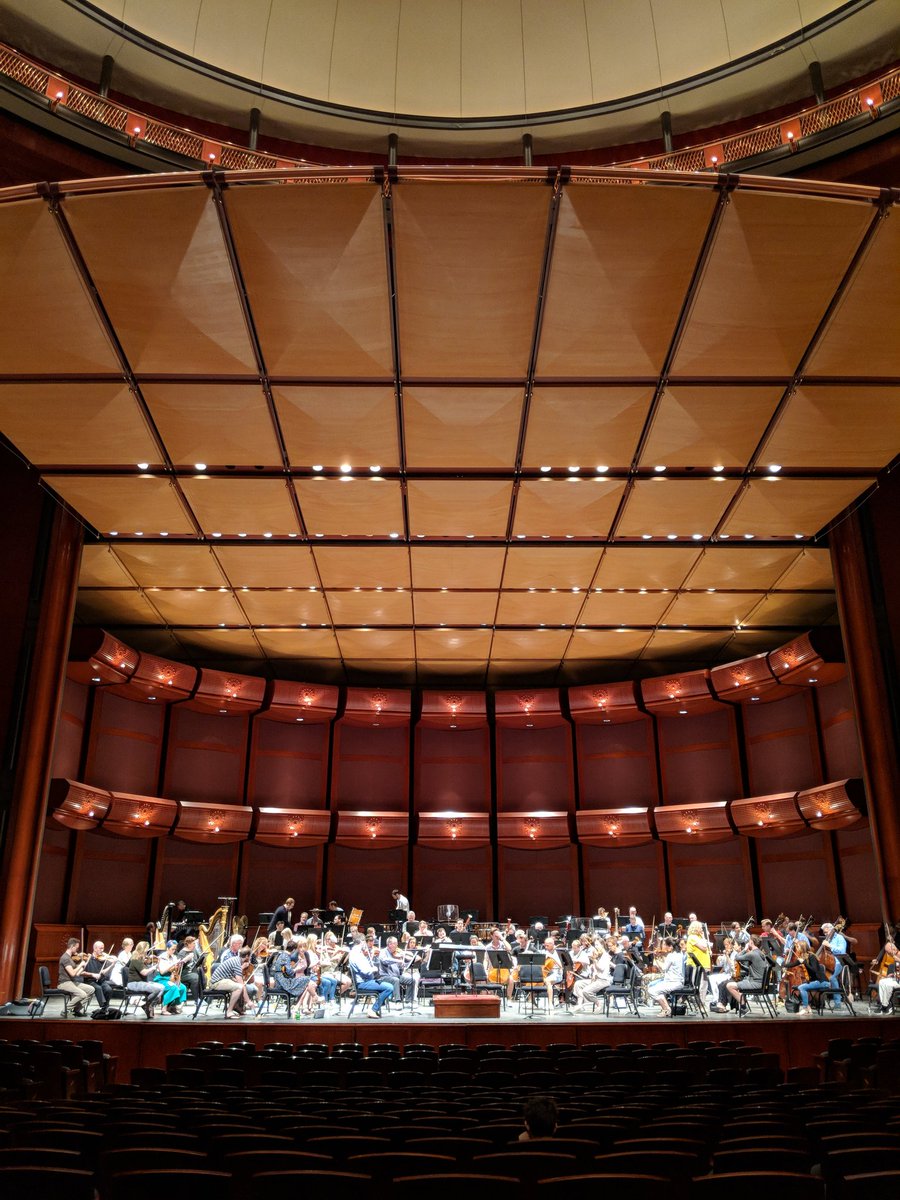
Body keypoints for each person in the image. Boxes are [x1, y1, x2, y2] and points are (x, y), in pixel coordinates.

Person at [349, 933, 393, 1019]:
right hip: (363, 983)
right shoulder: (357, 955)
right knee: (389, 987)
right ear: (362, 942)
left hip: (366, 981)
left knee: (385, 986)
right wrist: (373, 969)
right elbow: (365, 971)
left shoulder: (356, 953)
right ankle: (373, 1009)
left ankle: (378, 1006)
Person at [722, 934, 767, 1013]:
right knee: (737, 983)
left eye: (749, 941)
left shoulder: (752, 954)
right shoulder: (760, 953)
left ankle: (743, 1005)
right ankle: (742, 1002)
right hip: (759, 982)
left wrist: (745, 949)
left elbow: (737, 957)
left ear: (751, 942)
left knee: (729, 986)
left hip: (756, 983)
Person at [796, 944, 843, 1015]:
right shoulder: (803, 958)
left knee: (801, 987)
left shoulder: (812, 957)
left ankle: (805, 1008)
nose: (797, 948)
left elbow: (814, 970)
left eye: (798, 946)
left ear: (803, 948)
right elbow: (793, 964)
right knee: (801, 987)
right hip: (816, 981)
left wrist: (804, 963)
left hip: (823, 982)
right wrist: (783, 965)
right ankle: (808, 1008)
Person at [209, 945, 253, 1018]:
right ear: (247, 956)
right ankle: (229, 1012)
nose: (250, 958)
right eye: (250, 956)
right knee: (239, 987)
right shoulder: (237, 964)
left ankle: (238, 1008)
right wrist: (249, 1001)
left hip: (222, 980)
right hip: (216, 983)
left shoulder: (236, 960)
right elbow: (241, 984)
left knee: (239, 985)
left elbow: (231, 976)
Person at [647, 938, 685, 1017]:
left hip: (673, 982)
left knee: (651, 990)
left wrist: (657, 958)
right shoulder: (680, 953)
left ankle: (666, 1009)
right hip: (678, 981)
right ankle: (666, 1009)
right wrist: (663, 955)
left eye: (664, 944)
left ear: (670, 946)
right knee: (655, 988)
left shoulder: (671, 956)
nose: (663, 946)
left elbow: (663, 969)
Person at [127, 942, 165, 1018]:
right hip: (134, 983)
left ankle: (148, 1004)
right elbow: (144, 973)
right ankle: (147, 1004)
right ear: (143, 950)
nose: (147, 952)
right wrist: (153, 968)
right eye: (146, 950)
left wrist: (153, 962)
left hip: (142, 983)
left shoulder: (141, 960)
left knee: (162, 987)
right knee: (156, 989)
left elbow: (146, 965)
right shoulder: (135, 960)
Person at [57, 938, 94, 1016]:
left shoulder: (70, 958)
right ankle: (65, 1010)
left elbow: (77, 974)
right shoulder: (65, 958)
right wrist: (80, 964)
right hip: (64, 983)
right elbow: (72, 974)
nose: (77, 950)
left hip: (71, 982)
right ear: (72, 947)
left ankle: (77, 1010)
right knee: (82, 994)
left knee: (91, 989)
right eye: (76, 948)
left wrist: (86, 962)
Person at [153, 940, 188, 1013]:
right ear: (167, 948)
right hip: (162, 979)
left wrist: (178, 966)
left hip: (171, 978)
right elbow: (162, 971)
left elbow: (174, 970)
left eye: (175, 949)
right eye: (172, 949)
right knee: (173, 987)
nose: (173, 951)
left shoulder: (173, 957)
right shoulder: (161, 957)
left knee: (182, 987)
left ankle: (172, 1006)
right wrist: (171, 966)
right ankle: (164, 1008)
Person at [81, 940, 116, 1013]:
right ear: (95, 948)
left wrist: (112, 965)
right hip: (90, 981)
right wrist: (92, 974)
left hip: (101, 980)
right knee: (98, 988)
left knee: (108, 989)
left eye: (103, 948)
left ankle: (105, 1008)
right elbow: (81, 972)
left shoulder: (103, 959)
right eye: (100, 948)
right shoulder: (88, 958)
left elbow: (103, 972)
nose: (102, 950)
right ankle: (103, 1006)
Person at [177, 934, 204, 1002]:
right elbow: (178, 966)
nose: (195, 945)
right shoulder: (182, 953)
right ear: (188, 944)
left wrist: (202, 958)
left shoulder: (194, 950)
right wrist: (186, 959)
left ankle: (202, 997)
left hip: (193, 971)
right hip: (184, 974)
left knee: (203, 977)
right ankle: (196, 999)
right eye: (193, 943)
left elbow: (197, 960)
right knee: (195, 978)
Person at [542, 936, 563, 1009]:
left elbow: (562, 966)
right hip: (547, 973)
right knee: (534, 978)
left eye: (548, 945)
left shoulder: (559, 953)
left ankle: (550, 1004)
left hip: (557, 973)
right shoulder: (544, 953)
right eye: (545, 945)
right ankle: (532, 1002)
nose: (546, 946)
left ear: (552, 944)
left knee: (548, 981)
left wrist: (553, 958)